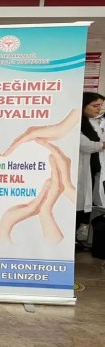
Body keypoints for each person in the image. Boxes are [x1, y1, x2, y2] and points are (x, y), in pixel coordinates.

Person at [76, 92, 105, 249]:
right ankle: (74, 239)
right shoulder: (77, 123)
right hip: (81, 170)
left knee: (87, 205)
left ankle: (78, 237)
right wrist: (102, 145)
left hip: (93, 169)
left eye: (101, 105)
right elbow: (85, 145)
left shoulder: (92, 122)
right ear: (83, 106)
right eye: (95, 105)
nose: (99, 109)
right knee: (79, 205)